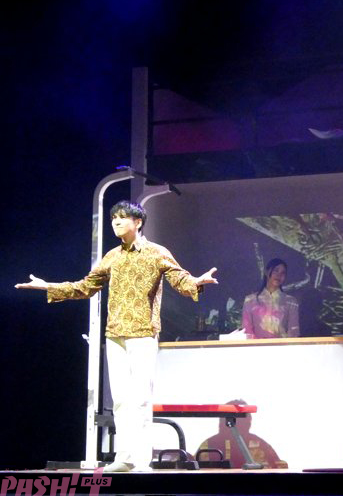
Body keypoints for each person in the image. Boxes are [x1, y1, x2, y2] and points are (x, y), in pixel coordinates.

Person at [15, 200, 218, 472]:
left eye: (122, 218)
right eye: (113, 219)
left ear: (138, 222)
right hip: (115, 334)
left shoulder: (156, 252)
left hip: (142, 332)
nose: (117, 223)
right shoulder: (112, 256)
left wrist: (196, 282)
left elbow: (179, 279)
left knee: (141, 398)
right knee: (121, 400)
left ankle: (142, 460)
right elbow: (85, 286)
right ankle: (125, 457)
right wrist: (48, 286)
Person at [241, 258, 300, 338]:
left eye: (283, 273)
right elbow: (247, 330)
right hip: (256, 345)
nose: (279, 275)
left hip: (282, 345)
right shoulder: (250, 300)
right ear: (266, 272)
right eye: (276, 270)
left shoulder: (291, 301)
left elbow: (293, 331)